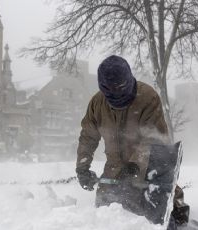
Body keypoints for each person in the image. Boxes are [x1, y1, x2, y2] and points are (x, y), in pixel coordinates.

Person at [75, 55, 189, 228]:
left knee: (153, 206)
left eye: (120, 87)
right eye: (110, 89)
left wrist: (136, 164)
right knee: (106, 211)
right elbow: (88, 137)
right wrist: (82, 168)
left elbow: (155, 138)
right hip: (113, 169)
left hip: (146, 165)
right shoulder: (97, 103)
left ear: (129, 79)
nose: (116, 92)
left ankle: (176, 204)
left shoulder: (147, 98)